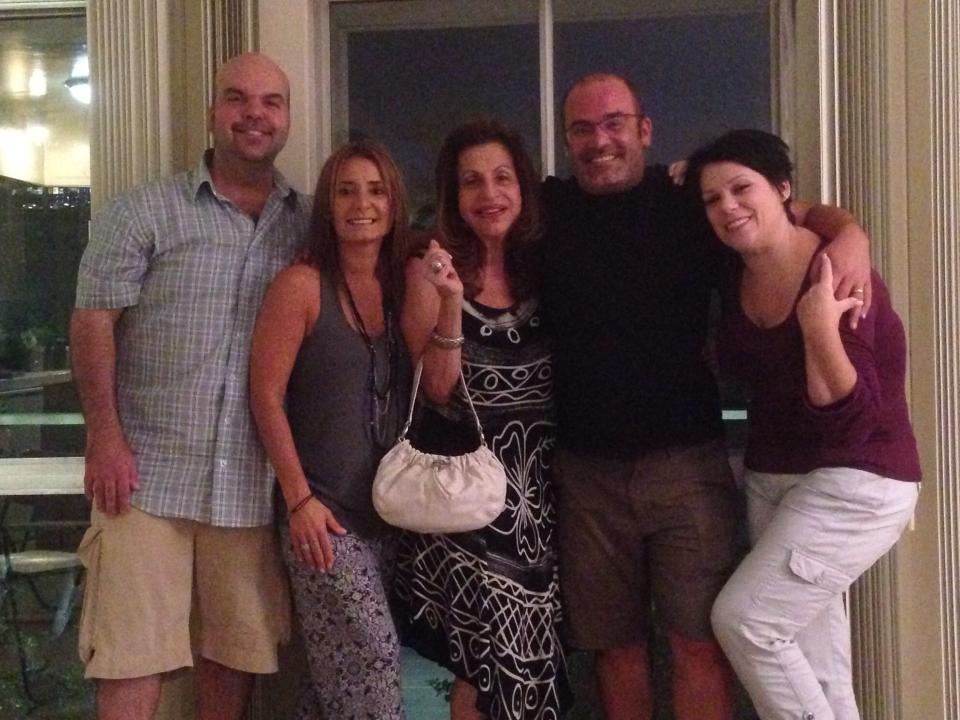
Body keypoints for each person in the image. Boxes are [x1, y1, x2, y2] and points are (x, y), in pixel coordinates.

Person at [538, 72, 874, 720]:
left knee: (700, 644)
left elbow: (795, 210)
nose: (598, 140)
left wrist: (851, 234)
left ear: (644, 130)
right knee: (616, 650)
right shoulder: (546, 209)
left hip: (687, 464)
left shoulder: (690, 200)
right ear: (567, 140)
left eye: (614, 124)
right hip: (585, 474)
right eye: (581, 129)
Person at [69, 53, 307, 720]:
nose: (254, 114)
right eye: (237, 98)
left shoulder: (307, 224)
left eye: (271, 102)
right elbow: (93, 323)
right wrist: (104, 437)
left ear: (286, 118)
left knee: (233, 658)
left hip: (249, 486)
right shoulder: (143, 211)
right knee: (129, 656)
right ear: (213, 112)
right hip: (143, 479)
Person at [684, 129, 920, 720]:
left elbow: (852, 418)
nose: (728, 207)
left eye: (742, 189)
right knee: (816, 664)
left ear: (783, 190)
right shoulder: (733, 267)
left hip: (856, 480)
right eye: (712, 199)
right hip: (773, 479)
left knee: (746, 622)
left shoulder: (833, 268)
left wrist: (817, 324)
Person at [395, 119, 570, 720]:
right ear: (453, 194)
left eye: (501, 178)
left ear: (522, 188)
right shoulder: (432, 269)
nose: (489, 194)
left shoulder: (541, 268)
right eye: (472, 182)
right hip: (468, 508)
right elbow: (437, 388)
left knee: (536, 665)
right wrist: (449, 303)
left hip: (540, 504)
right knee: (483, 672)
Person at [249, 139, 411, 720]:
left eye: (375, 190)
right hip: (322, 518)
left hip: (390, 519)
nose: (361, 204)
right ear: (328, 206)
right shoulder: (301, 286)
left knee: (330, 686)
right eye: (346, 191)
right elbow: (264, 395)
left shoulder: (402, 288)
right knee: (372, 663)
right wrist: (299, 500)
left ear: (394, 203)